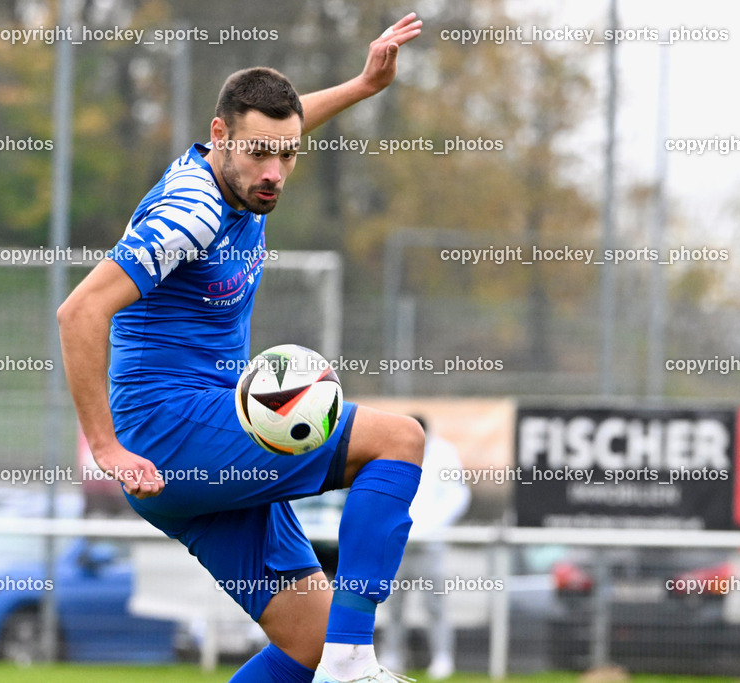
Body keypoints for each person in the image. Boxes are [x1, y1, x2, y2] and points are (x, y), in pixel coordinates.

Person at [58, 14, 425, 683]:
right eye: (261, 154)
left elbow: (283, 125)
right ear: (220, 135)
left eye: (288, 155)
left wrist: (363, 85)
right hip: (169, 431)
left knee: (303, 639)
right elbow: (79, 311)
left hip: (199, 435)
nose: (276, 172)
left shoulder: (244, 166)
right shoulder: (191, 213)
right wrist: (106, 446)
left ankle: (334, 654)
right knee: (398, 439)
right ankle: (354, 663)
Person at [381, 416, 471, 679]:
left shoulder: (443, 453)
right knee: (393, 603)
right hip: (397, 544)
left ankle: (442, 657)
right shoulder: (393, 450)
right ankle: (392, 655)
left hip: (430, 545)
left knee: (435, 605)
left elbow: (458, 495)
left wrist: (431, 526)